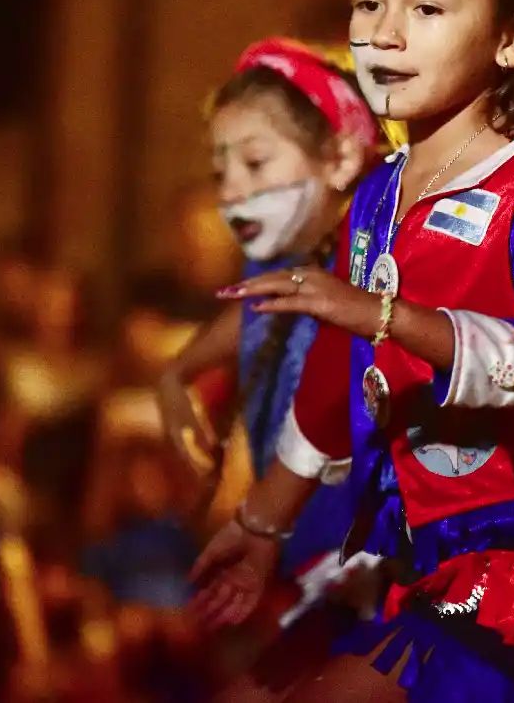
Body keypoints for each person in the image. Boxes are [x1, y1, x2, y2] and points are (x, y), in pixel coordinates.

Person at [191, 0, 514, 703]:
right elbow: (333, 380)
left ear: (511, 38)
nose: (385, 34)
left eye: (427, 9)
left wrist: (387, 316)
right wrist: (260, 524)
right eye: (371, 4)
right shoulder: (377, 195)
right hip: (413, 565)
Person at [159, 37, 384, 695]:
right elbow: (239, 325)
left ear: (340, 158)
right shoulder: (277, 271)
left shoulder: (381, 263)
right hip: (307, 588)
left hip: (388, 589)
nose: (232, 191)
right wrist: (175, 378)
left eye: (256, 163)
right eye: (221, 170)